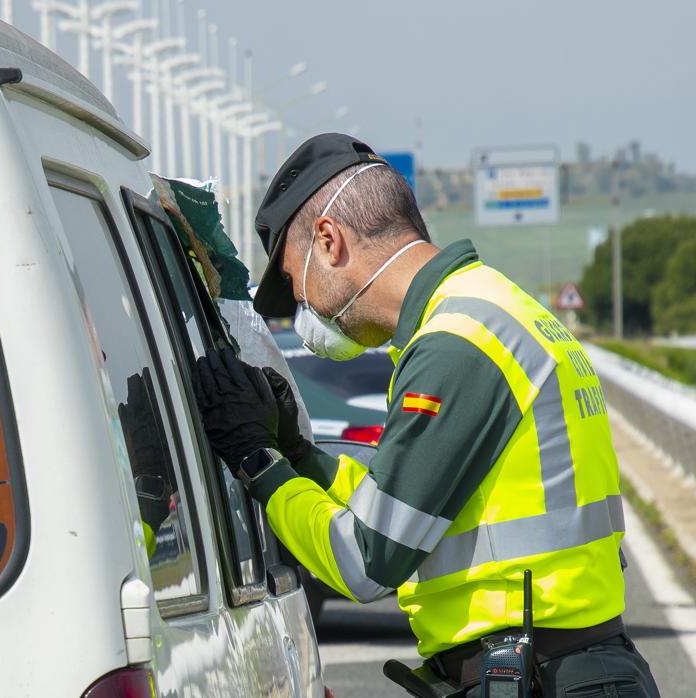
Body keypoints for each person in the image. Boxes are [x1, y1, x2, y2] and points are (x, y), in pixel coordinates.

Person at [193, 133, 659, 697]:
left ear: (329, 240)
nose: (304, 309)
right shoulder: (493, 310)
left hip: (544, 678)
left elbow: (365, 559)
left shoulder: (455, 345)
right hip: (566, 669)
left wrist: (258, 464)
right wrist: (300, 456)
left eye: (295, 283)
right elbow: (404, 508)